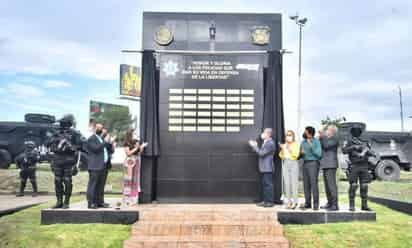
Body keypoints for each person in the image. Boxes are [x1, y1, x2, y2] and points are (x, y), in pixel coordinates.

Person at [47, 114, 84, 209]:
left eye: (63, 122)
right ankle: (59, 201)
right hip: (57, 159)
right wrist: (55, 145)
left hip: (69, 160)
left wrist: (71, 147)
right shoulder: (55, 132)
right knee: (57, 180)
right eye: (61, 122)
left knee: (67, 181)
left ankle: (66, 202)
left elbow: (81, 146)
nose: (61, 124)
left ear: (68, 123)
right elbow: (48, 143)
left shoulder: (75, 133)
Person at [342, 124, 376, 211]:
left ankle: (364, 205)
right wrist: (353, 147)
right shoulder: (348, 142)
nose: (357, 132)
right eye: (355, 131)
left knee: (364, 186)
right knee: (353, 185)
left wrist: (370, 152)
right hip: (354, 166)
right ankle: (352, 205)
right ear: (352, 132)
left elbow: (371, 152)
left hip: (364, 166)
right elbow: (344, 151)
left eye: (358, 131)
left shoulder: (364, 142)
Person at [248, 128, 276, 208]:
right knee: (265, 185)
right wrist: (255, 147)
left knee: (268, 185)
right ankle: (265, 201)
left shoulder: (270, 143)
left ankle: (270, 202)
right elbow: (260, 151)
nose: (263, 134)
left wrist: (255, 146)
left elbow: (261, 153)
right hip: (264, 167)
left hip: (268, 168)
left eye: (264, 132)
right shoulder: (266, 142)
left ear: (269, 134)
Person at [86, 123, 108, 209]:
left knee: (101, 185)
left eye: (102, 128)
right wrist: (103, 139)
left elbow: (107, 150)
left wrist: (110, 143)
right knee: (93, 185)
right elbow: (96, 149)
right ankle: (91, 203)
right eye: (99, 128)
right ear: (95, 129)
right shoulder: (92, 139)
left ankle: (100, 202)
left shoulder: (101, 139)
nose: (101, 129)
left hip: (103, 165)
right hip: (94, 165)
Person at [300, 126, 322, 210]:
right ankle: (307, 203)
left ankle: (316, 204)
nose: (304, 133)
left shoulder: (316, 142)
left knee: (313, 184)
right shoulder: (303, 142)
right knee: (306, 185)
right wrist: (301, 153)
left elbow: (319, 154)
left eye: (305, 132)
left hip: (313, 163)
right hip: (305, 163)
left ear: (310, 133)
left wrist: (311, 145)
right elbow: (301, 154)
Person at [123, 129, 146, 206]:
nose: (136, 134)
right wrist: (136, 148)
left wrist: (141, 147)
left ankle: (134, 198)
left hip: (137, 161)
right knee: (129, 179)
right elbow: (128, 153)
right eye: (134, 133)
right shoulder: (126, 143)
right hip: (130, 161)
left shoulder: (136, 142)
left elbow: (139, 153)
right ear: (130, 134)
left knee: (135, 180)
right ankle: (127, 199)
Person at [319, 125, 340, 211]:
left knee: (331, 185)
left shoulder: (335, 139)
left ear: (332, 131)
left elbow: (326, 145)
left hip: (331, 164)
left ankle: (335, 205)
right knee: (327, 185)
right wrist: (320, 137)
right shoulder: (325, 138)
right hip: (325, 164)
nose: (326, 131)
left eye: (327, 130)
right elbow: (322, 145)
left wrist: (321, 135)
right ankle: (329, 203)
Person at [279, 130, 300, 209]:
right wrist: (282, 149)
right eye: (287, 135)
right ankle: (288, 202)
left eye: (290, 135)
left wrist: (289, 149)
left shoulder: (296, 145)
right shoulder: (284, 145)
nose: (288, 136)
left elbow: (296, 155)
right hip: (285, 163)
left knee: (294, 184)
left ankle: (295, 202)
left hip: (293, 162)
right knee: (287, 184)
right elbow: (281, 156)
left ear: (293, 136)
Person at [97, 127, 116, 208]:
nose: (105, 132)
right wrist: (107, 141)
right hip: (97, 165)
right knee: (97, 184)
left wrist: (112, 144)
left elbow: (111, 151)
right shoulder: (97, 140)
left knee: (102, 184)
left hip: (105, 165)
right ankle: (95, 201)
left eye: (106, 131)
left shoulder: (106, 141)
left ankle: (101, 201)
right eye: (103, 131)